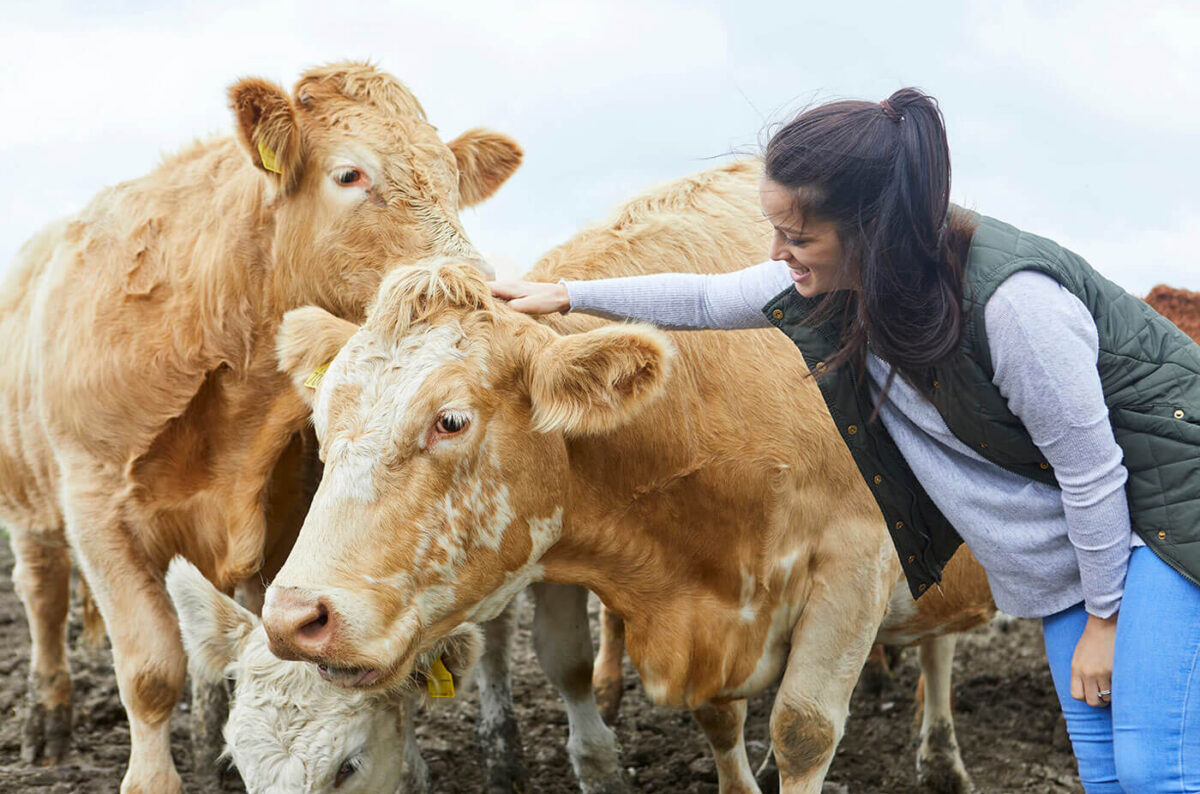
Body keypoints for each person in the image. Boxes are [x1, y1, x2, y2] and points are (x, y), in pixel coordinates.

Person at [489, 88, 1200, 793]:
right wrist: (567, 295)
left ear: (872, 228)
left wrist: (1105, 623)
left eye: (796, 237)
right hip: (1085, 549)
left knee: (1152, 771)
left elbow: (1093, 473)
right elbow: (705, 299)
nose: (777, 254)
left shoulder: (1015, 305)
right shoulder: (846, 284)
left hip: (1163, 525)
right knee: (1105, 771)